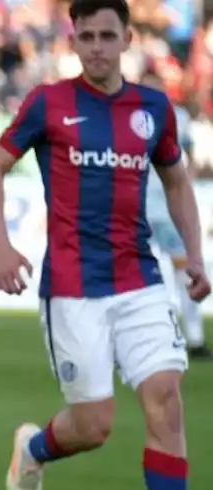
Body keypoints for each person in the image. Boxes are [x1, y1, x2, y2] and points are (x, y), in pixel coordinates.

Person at [0, 0, 209, 490]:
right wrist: (2, 248)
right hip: (74, 289)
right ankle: (32, 447)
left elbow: (177, 181)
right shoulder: (48, 105)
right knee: (94, 425)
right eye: (87, 36)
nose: (98, 46)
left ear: (128, 38)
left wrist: (196, 255)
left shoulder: (153, 109)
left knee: (165, 396)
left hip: (139, 280)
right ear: (73, 40)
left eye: (108, 35)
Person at [138, 67, 208, 360]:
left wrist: (185, 188)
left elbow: (187, 162)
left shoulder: (175, 117)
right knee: (136, 279)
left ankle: (194, 338)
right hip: (136, 210)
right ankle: (142, 339)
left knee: (184, 274)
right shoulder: (125, 117)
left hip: (167, 212)